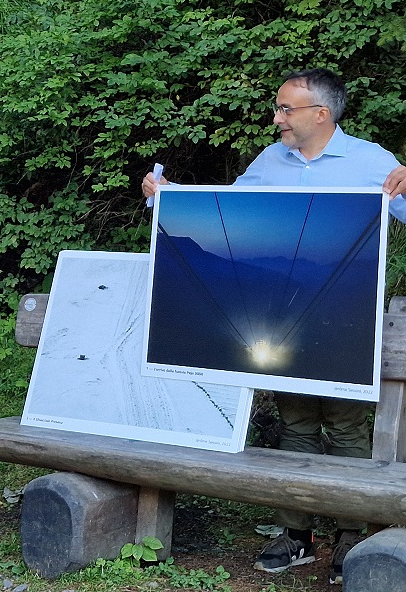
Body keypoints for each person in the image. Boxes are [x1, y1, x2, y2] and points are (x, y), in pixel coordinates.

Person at [142, 68, 406, 585]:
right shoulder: (270, 160)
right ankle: (296, 534)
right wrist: (167, 195)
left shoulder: (371, 161)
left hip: (345, 317)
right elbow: (227, 209)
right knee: (296, 424)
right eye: (279, 108)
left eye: (286, 109)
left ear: (321, 114)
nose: (277, 118)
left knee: (348, 426)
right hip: (280, 317)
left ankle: (352, 534)